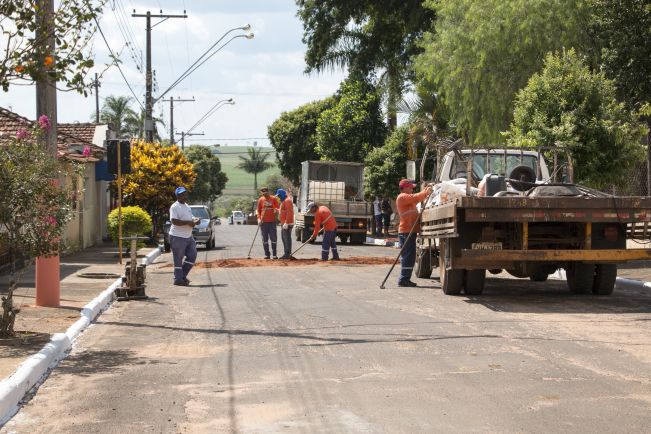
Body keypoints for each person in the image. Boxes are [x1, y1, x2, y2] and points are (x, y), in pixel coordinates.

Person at [395, 179, 432, 287]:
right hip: (406, 231)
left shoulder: (408, 200)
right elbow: (416, 197)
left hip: (409, 231)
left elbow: (417, 198)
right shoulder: (402, 197)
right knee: (407, 257)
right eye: (410, 187)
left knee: (410, 257)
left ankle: (405, 279)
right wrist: (426, 191)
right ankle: (403, 279)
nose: (412, 189)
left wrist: (425, 190)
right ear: (404, 188)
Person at [169, 186, 199, 286]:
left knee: (192, 255)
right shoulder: (174, 207)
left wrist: (195, 220)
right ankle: (178, 279)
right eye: (181, 194)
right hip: (177, 236)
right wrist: (188, 222)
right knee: (178, 259)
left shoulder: (186, 206)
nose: (183, 195)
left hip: (188, 236)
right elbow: (174, 221)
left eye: (184, 193)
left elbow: (190, 218)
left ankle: (182, 276)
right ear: (177, 195)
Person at [257, 187, 279, 259]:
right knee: (265, 239)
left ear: (268, 192)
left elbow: (278, 209)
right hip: (263, 223)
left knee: (273, 238)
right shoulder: (260, 200)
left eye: (266, 192)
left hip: (272, 222)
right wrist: (259, 219)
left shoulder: (273, 199)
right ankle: (267, 254)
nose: (265, 194)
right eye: (263, 193)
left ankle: (274, 254)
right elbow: (258, 211)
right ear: (261, 193)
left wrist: (270, 205)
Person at [277, 188, 295, 259]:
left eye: (279, 196)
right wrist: (277, 210)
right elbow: (284, 211)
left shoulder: (287, 201)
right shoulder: (284, 201)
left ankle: (287, 254)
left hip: (287, 224)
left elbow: (289, 212)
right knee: (284, 239)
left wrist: (286, 223)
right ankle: (286, 253)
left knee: (286, 239)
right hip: (284, 223)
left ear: (282, 195)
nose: (278, 197)